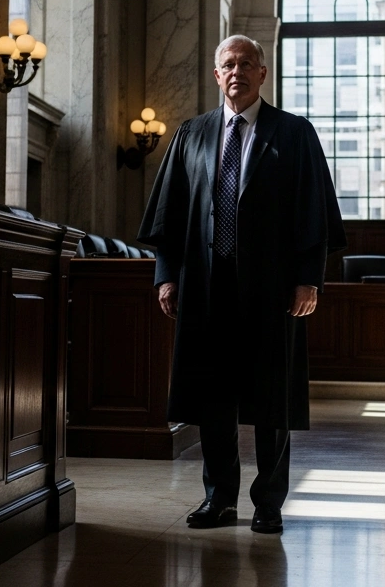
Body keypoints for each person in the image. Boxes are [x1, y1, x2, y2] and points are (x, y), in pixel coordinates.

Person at [138, 34, 345, 535]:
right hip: (207, 288)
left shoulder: (293, 134)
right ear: (216, 75)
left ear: (262, 73)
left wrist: (307, 280)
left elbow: (312, 212)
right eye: (228, 64)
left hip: (272, 291)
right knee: (213, 397)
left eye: (247, 63)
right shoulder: (193, 134)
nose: (237, 71)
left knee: (271, 399)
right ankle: (219, 498)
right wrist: (167, 276)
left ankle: (269, 502)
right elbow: (169, 216)